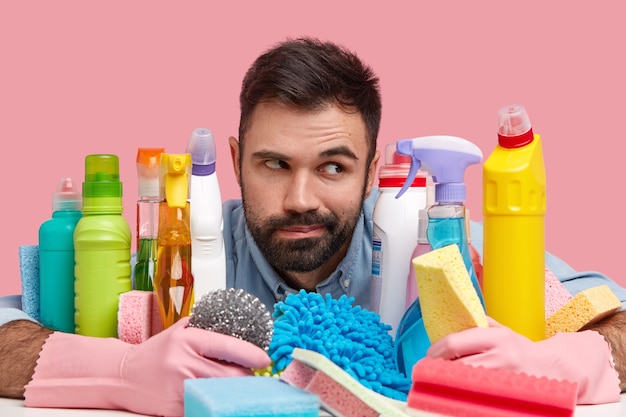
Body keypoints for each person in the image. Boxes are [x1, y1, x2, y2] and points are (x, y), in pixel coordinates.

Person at [0, 36, 624, 416]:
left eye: (332, 165)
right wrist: (121, 374)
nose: (300, 198)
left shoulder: (450, 257)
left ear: (372, 169)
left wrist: (553, 365)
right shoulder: (174, 255)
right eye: (273, 163)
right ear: (236, 157)